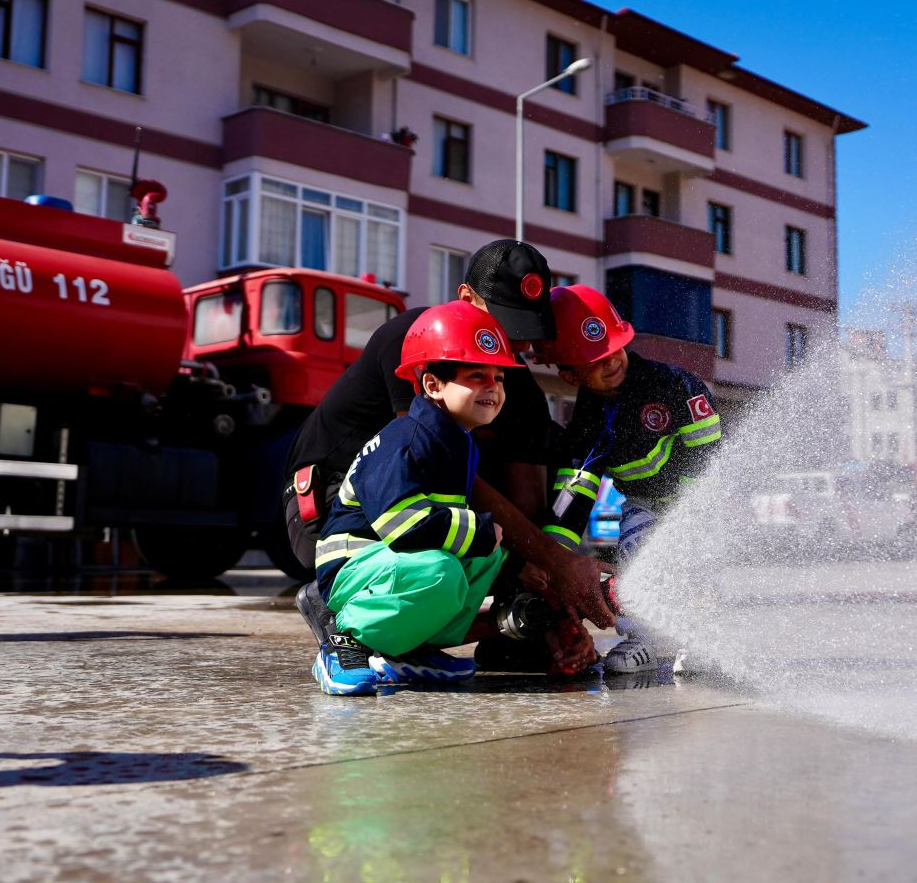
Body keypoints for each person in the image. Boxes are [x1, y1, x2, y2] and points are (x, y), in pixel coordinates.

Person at [283, 240, 613, 689]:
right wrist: (554, 562)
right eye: (503, 324)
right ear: (465, 299)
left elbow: (528, 506)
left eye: (524, 331)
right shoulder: (419, 339)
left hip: (422, 515)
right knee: (446, 560)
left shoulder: (514, 385)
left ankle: (501, 630)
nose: (511, 346)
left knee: (546, 458)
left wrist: (551, 604)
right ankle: (345, 622)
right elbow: (431, 469)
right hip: (339, 515)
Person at [309, 301, 524, 694]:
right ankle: (344, 641)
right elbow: (403, 525)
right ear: (432, 385)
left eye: (499, 377)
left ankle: (410, 650)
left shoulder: (454, 442)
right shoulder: (407, 439)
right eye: (477, 375)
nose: (493, 386)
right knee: (443, 570)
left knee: (486, 555)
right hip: (352, 567)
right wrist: (480, 529)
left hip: (388, 566)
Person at [534, 285, 723, 674]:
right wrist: (555, 553)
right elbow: (578, 486)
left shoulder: (673, 385)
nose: (611, 362)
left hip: (698, 500)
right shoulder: (587, 417)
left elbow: (709, 452)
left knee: (695, 571)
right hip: (641, 503)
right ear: (570, 375)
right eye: (595, 359)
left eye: (613, 349)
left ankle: (702, 642)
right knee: (637, 565)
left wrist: (687, 512)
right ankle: (645, 638)